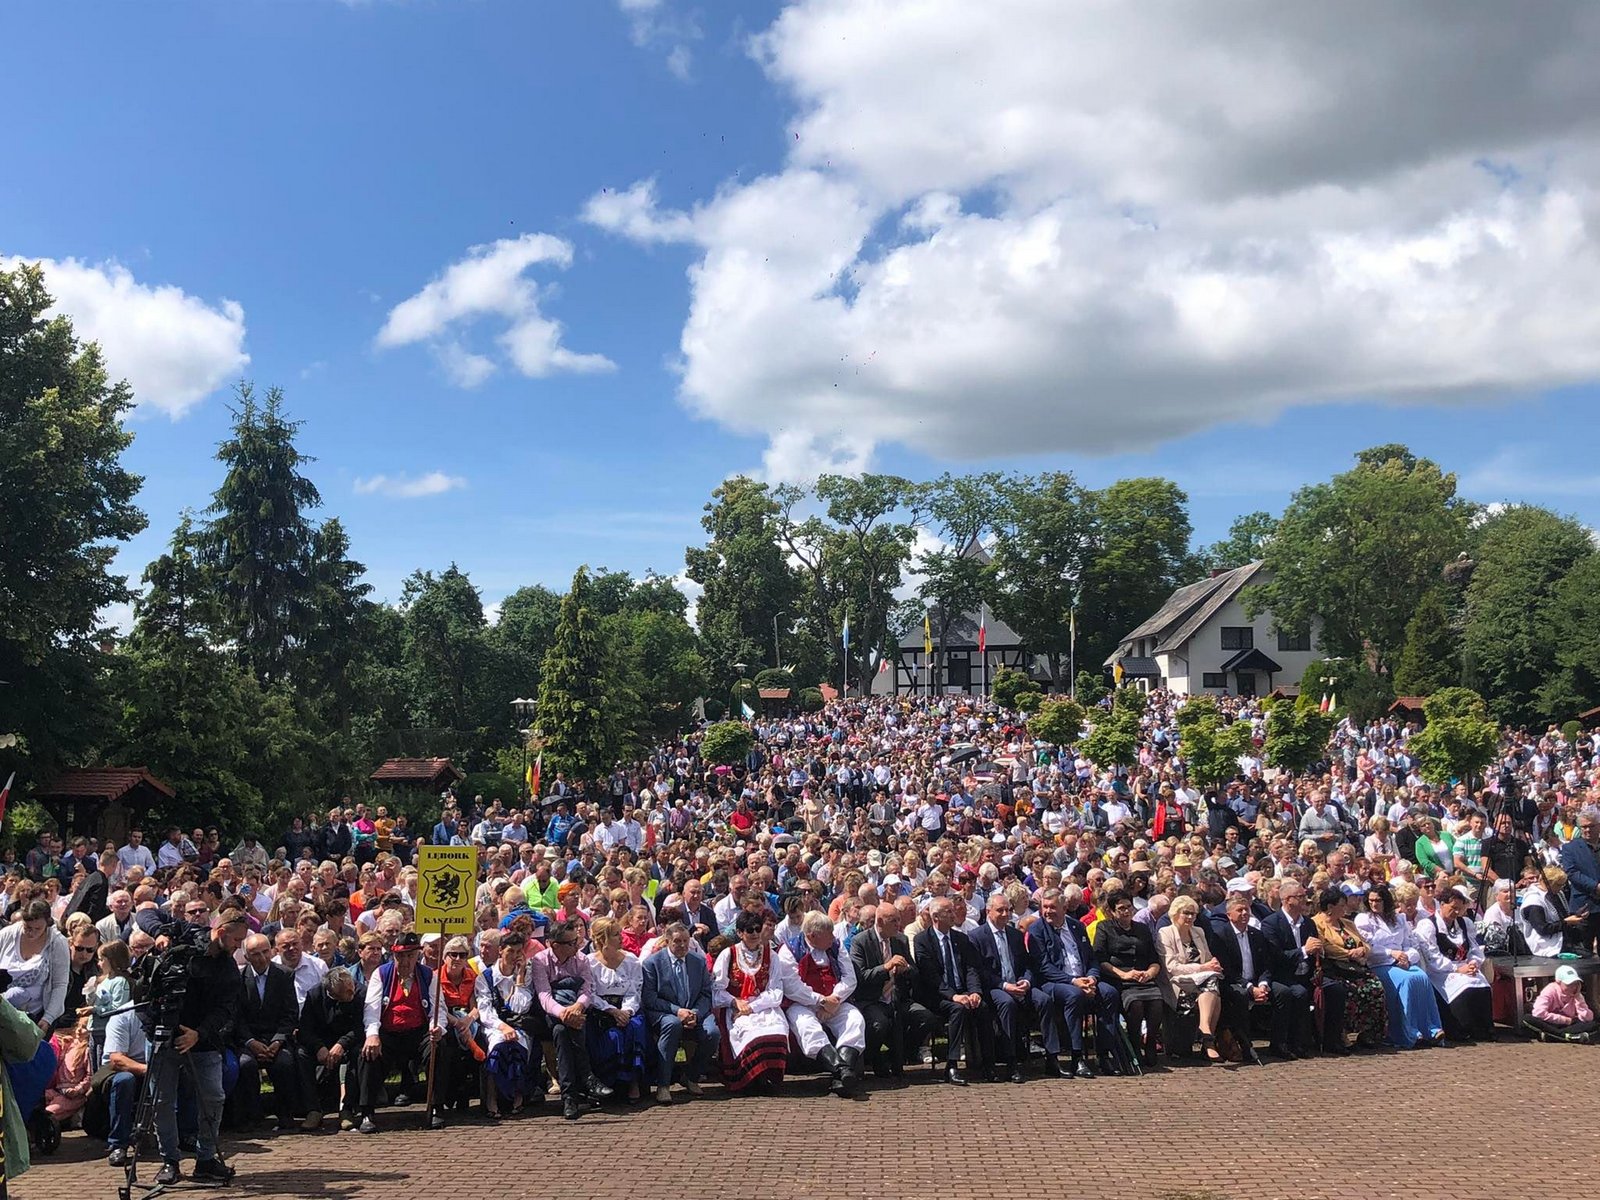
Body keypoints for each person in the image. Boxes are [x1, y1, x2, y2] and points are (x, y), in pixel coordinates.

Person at [150, 909, 248, 1187]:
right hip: (165, 1036)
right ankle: (169, 1160)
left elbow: (226, 1009)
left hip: (203, 1040)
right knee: (162, 1101)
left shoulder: (228, 969)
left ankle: (206, 1159)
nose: (238, 946)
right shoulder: (187, 939)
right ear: (221, 932)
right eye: (236, 940)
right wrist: (160, 934)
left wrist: (199, 1033)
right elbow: (147, 916)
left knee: (214, 1097)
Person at [356, 930, 443, 1135]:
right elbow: (371, 1008)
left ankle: (436, 1106)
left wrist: (437, 1027)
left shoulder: (429, 975)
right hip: (389, 1032)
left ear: (417, 956)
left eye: (410, 956)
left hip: (418, 1031)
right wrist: (372, 1035)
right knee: (368, 1053)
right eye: (400, 956)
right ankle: (367, 1112)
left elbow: (439, 1009)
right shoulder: (382, 974)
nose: (404, 961)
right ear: (394, 955)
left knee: (438, 1048)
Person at [1029, 886, 1118, 1077]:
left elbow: (1091, 958)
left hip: (1084, 978)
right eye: (1044, 907)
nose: (1047, 911)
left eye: (1052, 907)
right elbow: (1044, 967)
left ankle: (1104, 1054)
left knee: (1109, 993)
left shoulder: (1077, 927)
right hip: (1054, 983)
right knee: (1074, 996)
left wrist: (1092, 978)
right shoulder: (1037, 930)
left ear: (1064, 907)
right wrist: (1074, 981)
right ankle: (1077, 1057)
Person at [780, 910, 867, 1097]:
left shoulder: (835, 946)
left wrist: (835, 999)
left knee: (854, 1020)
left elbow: (849, 978)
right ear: (812, 936)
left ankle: (841, 1076)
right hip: (803, 1003)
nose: (833, 937)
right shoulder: (789, 950)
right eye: (828, 933)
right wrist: (820, 1000)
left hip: (835, 1001)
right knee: (806, 1026)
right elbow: (792, 986)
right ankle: (841, 1070)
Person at [529, 917, 608, 1119]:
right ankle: (588, 1077)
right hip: (550, 1014)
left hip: (575, 1012)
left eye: (578, 941)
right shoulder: (540, 961)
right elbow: (544, 996)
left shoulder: (582, 959)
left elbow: (587, 989)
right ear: (555, 945)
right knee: (559, 1027)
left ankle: (569, 1097)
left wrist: (576, 1007)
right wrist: (563, 1013)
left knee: (562, 1032)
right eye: (572, 943)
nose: (578, 945)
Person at [1353, 883, 1444, 1049]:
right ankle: (1408, 1032)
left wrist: (1407, 957)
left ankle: (1431, 1028)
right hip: (1379, 963)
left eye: (1378, 900)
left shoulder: (1399, 919)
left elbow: (1410, 944)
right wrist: (1391, 953)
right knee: (1407, 981)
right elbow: (1368, 947)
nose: (1374, 904)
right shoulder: (1364, 920)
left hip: (1402, 961)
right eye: (1371, 900)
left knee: (1421, 977)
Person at [912, 896, 990, 1085]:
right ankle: (952, 1064)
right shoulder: (922, 940)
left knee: (984, 1007)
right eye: (949, 911)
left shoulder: (961, 939)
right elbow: (931, 976)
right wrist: (953, 996)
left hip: (962, 991)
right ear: (936, 916)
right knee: (958, 1009)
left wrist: (974, 992)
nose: (953, 913)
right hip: (936, 995)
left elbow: (971, 968)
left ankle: (988, 1063)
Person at [711, 909, 789, 1094]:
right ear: (739, 933)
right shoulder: (728, 955)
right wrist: (734, 1002)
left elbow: (776, 991)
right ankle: (751, 1078)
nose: (754, 934)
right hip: (736, 1006)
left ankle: (768, 1075)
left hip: (763, 1005)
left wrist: (753, 1007)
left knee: (776, 1029)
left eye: (757, 929)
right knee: (749, 1032)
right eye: (749, 930)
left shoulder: (772, 955)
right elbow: (716, 989)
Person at [642, 920, 719, 1105]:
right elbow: (650, 999)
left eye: (686, 940)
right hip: (666, 1012)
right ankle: (663, 1085)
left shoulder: (698, 961)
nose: (683, 945)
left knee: (713, 1033)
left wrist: (694, 1013)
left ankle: (691, 1077)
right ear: (667, 941)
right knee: (672, 1025)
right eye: (677, 941)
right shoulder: (652, 963)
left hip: (694, 1011)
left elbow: (705, 994)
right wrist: (678, 1012)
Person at [849, 903, 927, 1077]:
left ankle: (903, 1053)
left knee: (924, 1018)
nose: (898, 924)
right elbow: (861, 977)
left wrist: (905, 969)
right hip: (872, 999)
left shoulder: (901, 940)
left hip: (896, 997)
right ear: (880, 921)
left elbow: (915, 971)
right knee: (879, 1024)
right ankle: (873, 1057)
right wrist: (886, 967)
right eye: (893, 921)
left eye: (899, 920)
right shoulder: (860, 941)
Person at [233, 933, 300, 1131]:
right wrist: (250, 1042)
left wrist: (278, 1041)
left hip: (276, 1038)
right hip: (249, 1039)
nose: (262, 958)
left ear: (272, 951)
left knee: (285, 1062)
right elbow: (236, 1017)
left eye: (265, 952)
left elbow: (290, 1014)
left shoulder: (285, 974)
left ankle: (285, 1113)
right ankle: (253, 1115)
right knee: (245, 1065)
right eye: (255, 954)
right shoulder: (239, 978)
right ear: (246, 957)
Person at [1416, 885, 1494, 1043]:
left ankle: (1482, 1029)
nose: (1457, 912)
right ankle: (1460, 1028)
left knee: (1483, 986)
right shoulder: (1429, 925)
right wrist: (1458, 969)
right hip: (1441, 972)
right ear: (1442, 904)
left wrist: (1473, 963)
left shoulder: (1465, 923)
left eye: (1460, 909)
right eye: (1453, 908)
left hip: (1465, 966)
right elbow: (1433, 957)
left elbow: (1474, 948)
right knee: (1464, 987)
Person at [1312, 887, 1388, 1050]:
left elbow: (1364, 942)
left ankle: (1368, 1033)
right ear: (1330, 907)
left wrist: (1363, 950)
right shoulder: (1317, 923)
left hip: (1356, 969)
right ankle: (1342, 1031)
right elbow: (1325, 946)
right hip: (1334, 969)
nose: (1345, 908)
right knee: (1348, 990)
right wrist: (1348, 954)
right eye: (1341, 905)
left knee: (1375, 987)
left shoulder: (1347, 923)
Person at [970, 891, 1035, 1079]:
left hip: (1019, 984)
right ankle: (1010, 1060)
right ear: (989, 911)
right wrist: (1006, 986)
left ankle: (1054, 1057)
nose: (1006, 914)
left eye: (1008, 910)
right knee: (1007, 1003)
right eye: (1000, 910)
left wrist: (1026, 980)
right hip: (994, 987)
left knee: (1043, 999)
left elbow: (1027, 963)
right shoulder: (977, 936)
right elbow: (980, 971)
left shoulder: (1014, 935)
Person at [475, 929, 535, 1120]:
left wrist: (519, 979)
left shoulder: (526, 974)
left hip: (518, 1024)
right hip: (495, 1026)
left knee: (518, 1046)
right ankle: (491, 1099)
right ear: (501, 950)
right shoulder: (485, 977)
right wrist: (502, 1027)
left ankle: (518, 1097)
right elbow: (485, 1012)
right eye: (511, 951)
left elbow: (521, 1008)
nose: (515, 956)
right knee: (498, 1048)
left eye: (519, 952)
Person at [293, 966, 362, 1132]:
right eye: (346, 993)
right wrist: (319, 1047)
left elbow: (361, 1027)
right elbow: (305, 1029)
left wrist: (342, 1044)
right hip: (321, 1042)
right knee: (302, 1054)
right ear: (332, 993)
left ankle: (347, 1109)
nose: (351, 994)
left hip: (349, 1041)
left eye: (351, 988)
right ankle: (313, 1110)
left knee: (358, 1054)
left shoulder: (360, 992)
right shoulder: (314, 995)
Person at [1158, 894, 1225, 1061]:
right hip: (1178, 983)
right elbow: (1172, 968)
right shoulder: (1165, 933)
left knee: (1212, 984)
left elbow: (1207, 957)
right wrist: (1202, 967)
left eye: (1193, 914)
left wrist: (1213, 963)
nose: (1190, 917)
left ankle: (1206, 1033)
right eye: (1186, 913)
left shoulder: (1198, 932)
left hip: (1203, 982)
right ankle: (1208, 1042)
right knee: (1213, 990)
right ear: (1175, 913)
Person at [1209, 892, 1269, 1066]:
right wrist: (1251, 988)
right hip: (1231, 982)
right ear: (1229, 915)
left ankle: (1283, 1043)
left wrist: (1263, 984)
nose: (1244, 913)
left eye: (1246, 910)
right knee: (1240, 995)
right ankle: (1245, 1044)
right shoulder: (1220, 935)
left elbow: (1265, 965)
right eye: (1239, 910)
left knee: (1287, 993)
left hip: (1256, 982)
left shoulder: (1257, 935)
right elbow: (1228, 971)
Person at [0, 900, 70, 1032]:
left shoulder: (58, 943)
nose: (31, 932)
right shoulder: (6, 934)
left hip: (35, 1016)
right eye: (27, 927)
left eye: (37, 928)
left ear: (47, 923)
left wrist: (48, 1017)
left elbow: (60, 984)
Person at [1519, 866, 1586, 958]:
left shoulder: (1558, 894)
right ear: (1548, 883)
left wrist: (1576, 916)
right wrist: (1567, 922)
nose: (1561, 888)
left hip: (1566, 943)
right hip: (1548, 949)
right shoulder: (1533, 901)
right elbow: (1543, 929)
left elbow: (1562, 917)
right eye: (1558, 885)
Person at [1528, 965, 1596, 1040]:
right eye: (1569, 984)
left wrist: (1578, 999)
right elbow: (1538, 1013)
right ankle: (1565, 1036)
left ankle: (1552, 1036)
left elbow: (1588, 1018)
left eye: (1576, 983)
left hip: (1569, 1025)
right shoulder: (1549, 991)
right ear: (1558, 982)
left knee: (1594, 1025)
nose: (1573, 987)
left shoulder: (1577, 995)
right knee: (1528, 1019)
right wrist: (1565, 1020)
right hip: (1551, 1023)